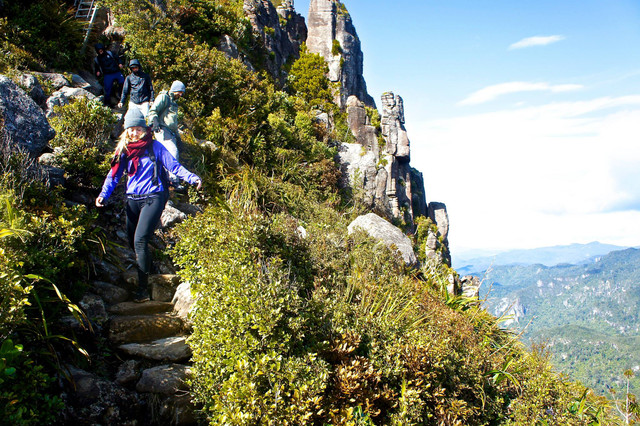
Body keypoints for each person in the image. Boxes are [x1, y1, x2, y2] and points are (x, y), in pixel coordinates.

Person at [95, 108, 201, 302]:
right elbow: (114, 175)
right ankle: (150, 268)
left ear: (145, 129)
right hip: (133, 199)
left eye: (138, 129)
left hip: (154, 196)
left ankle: (143, 291)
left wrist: (191, 178)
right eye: (131, 129)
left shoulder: (155, 147)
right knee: (131, 237)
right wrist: (104, 194)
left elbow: (173, 166)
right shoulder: (124, 151)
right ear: (126, 131)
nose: (134, 133)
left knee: (140, 240)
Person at [147, 80, 185, 165]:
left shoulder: (174, 103)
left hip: (171, 134)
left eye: (182, 93)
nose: (180, 95)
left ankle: (167, 177)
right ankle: (172, 178)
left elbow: (173, 123)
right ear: (174, 89)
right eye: (179, 92)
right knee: (173, 154)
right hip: (162, 131)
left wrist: (178, 138)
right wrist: (155, 122)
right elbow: (152, 111)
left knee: (172, 155)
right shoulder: (164, 97)